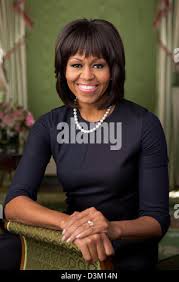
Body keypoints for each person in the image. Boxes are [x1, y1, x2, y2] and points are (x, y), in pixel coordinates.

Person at [1, 18, 170, 271]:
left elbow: (156, 220)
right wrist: (69, 224)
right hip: (71, 237)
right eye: (76, 65)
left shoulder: (145, 124)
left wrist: (112, 228)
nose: (87, 76)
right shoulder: (49, 125)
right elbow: (14, 203)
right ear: (64, 70)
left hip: (124, 242)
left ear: (114, 69)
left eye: (98, 65)